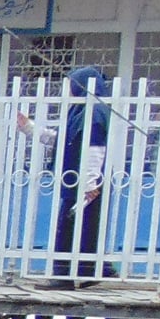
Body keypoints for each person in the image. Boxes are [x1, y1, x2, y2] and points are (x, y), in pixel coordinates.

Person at [55, 65, 112, 285]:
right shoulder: (79, 110)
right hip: (76, 178)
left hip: (86, 181)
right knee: (79, 226)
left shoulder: (94, 110)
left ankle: (70, 274)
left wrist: (90, 183)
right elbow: (64, 140)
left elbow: (95, 147)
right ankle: (86, 272)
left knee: (78, 227)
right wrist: (31, 130)